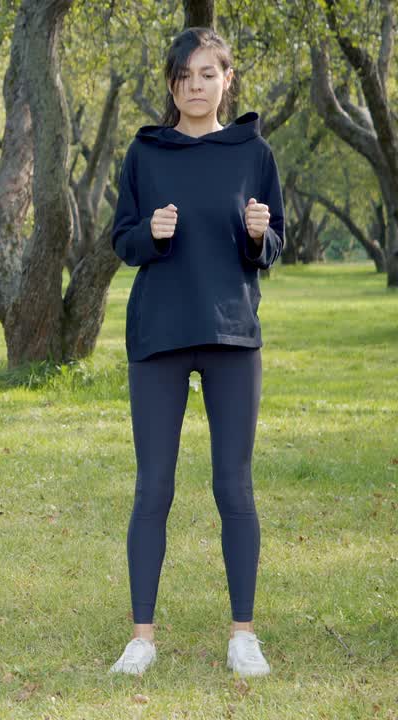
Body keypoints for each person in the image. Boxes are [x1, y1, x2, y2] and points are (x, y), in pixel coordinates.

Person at [107, 27, 284, 678]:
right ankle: (142, 638)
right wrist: (148, 235)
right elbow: (120, 238)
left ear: (227, 80)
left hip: (232, 334)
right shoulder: (146, 153)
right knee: (153, 487)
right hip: (158, 335)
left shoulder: (252, 152)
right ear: (172, 85)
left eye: (207, 74)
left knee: (233, 486)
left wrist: (259, 235)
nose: (195, 86)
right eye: (184, 76)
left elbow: (271, 247)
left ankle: (243, 635)